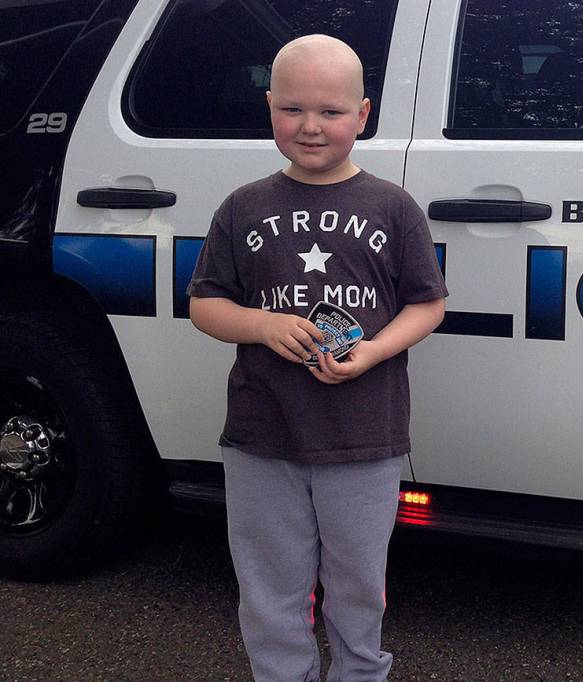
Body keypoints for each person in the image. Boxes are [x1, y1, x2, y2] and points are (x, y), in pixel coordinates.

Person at [187, 34, 447, 682]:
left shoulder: (392, 207)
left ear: (362, 115)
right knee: (270, 585)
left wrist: (374, 350)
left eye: (330, 111)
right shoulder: (243, 206)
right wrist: (261, 324)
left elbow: (428, 304)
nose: (310, 126)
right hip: (261, 435)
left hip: (365, 438)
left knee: (358, 584)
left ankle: (361, 673)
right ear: (270, 106)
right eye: (293, 108)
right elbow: (205, 305)